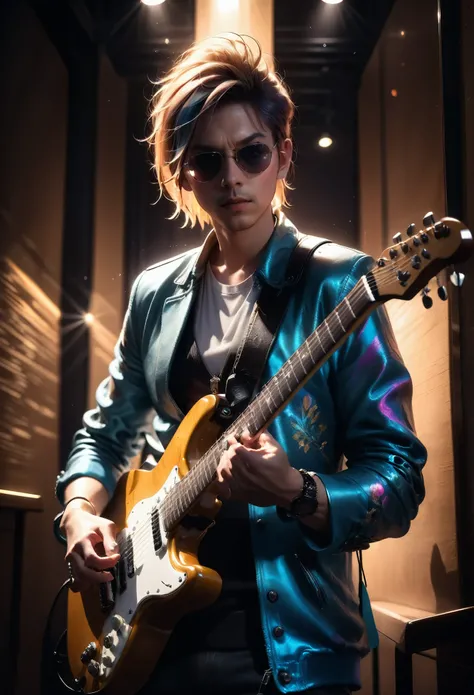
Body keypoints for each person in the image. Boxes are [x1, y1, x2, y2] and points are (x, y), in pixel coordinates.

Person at [54, 34, 427, 695]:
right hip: (151, 630)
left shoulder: (342, 284)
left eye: (251, 152)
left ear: (282, 154)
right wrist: (81, 512)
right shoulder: (153, 292)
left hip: (291, 643)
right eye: (208, 160)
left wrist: (297, 490)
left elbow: (397, 482)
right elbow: (106, 431)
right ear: (184, 174)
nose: (231, 177)